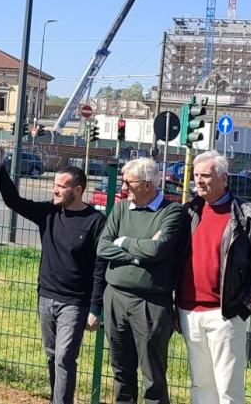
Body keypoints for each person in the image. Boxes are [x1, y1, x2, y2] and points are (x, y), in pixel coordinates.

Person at [0, 149, 107, 404]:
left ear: (77, 190)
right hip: (46, 297)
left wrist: (94, 308)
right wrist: (1, 167)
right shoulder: (48, 213)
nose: (54, 190)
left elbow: (101, 268)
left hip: (75, 302)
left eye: (60, 186)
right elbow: (14, 201)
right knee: (51, 355)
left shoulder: (96, 222)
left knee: (65, 358)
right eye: (54, 185)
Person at [179, 151, 251, 403]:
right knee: (200, 385)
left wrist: (242, 310)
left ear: (223, 178)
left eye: (205, 176)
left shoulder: (248, 217)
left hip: (225, 314)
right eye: (196, 175)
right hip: (188, 313)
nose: (198, 181)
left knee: (228, 390)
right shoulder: (188, 213)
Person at [97, 157, 187, 404]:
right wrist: (140, 255)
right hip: (115, 298)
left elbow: (158, 250)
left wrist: (124, 242)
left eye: (129, 182)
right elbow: (103, 247)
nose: (123, 188)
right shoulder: (120, 209)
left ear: (147, 184)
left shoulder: (172, 212)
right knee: (121, 370)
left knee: (153, 376)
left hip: (151, 303)